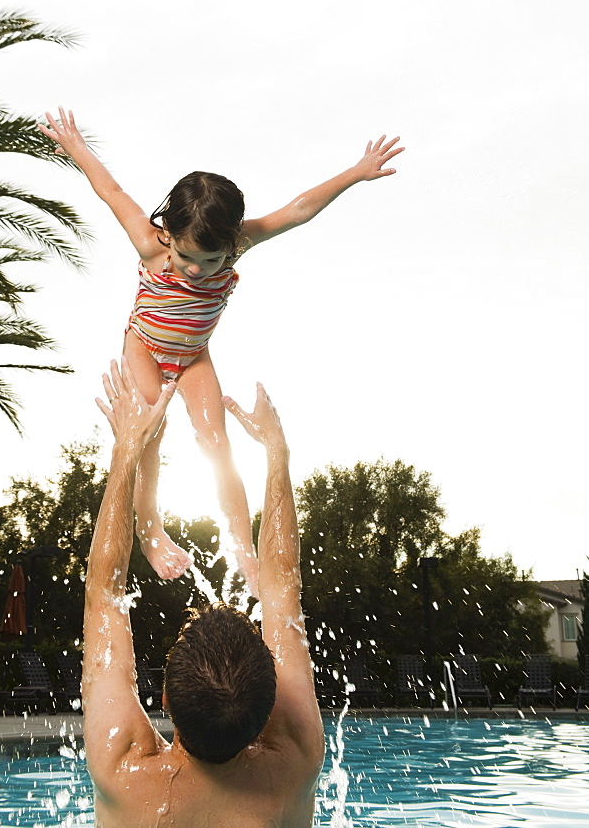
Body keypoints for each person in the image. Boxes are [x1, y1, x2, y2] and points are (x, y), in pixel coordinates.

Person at [39, 107, 403, 594]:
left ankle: (244, 551)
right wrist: (76, 146)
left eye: (209, 260)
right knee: (149, 436)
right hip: (145, 347)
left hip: (193, 357)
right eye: (186, 257)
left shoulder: (240, 244)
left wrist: (356, 173)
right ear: (168, 234)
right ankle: (150, 534)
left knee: (218, 442)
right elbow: (112, 192)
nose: (194, 270)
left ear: (230, 242)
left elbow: (296, 211)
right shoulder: (151, 245)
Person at [82, 356, 325, 828]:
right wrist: (277, 453)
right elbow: (281, 591)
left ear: (166, 697)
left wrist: (129, 445)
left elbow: (102, 594)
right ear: (269, 708)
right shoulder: (293, 761)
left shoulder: (123, 769)